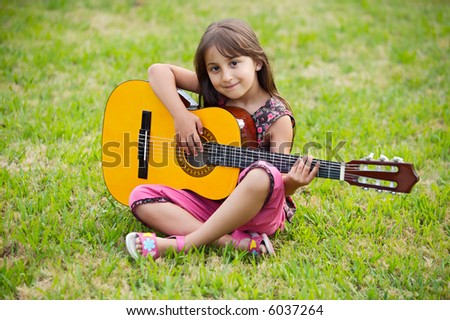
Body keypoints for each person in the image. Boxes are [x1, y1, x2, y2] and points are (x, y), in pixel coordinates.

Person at [125, 18, 319, 260]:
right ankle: (230, 241)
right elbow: (157, 71)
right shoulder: (217, 92)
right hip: (211, 199)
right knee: (139, 195)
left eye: (234, 63)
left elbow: (277, 183)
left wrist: (295, 182)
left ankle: (183, 244)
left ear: (257, 61)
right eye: (215, 68)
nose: (226, 77)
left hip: (255, 211)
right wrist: (181, 115)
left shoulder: (277, 118)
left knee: (262, 173)